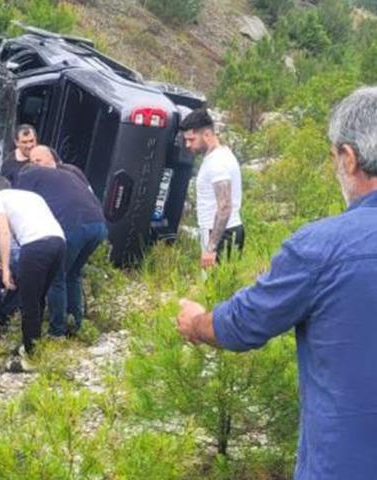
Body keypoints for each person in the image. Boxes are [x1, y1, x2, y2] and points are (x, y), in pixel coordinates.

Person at [175, 86, 377, 480]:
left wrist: (196, 322)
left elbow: (243, 324)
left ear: (350, 158)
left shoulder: (321, 248)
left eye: (335, 155)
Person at [15, 150, 107, 337]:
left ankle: (57, 331)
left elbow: (20, 205)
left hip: (74, 226)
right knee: (72, 275)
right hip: (98, 225)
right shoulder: (68, 173)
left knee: (56, 278)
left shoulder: (29, 175)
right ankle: (75, 324)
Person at [0, 176, 64, 369]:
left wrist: (6, 269)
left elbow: (3, 233)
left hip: (35, 246)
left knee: (28, 303)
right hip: (59, 242)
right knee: (38, 299)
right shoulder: (31, 196)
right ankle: (33, 345)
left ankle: (31, 359)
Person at [180, 109, 244, 268]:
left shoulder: (217, 163)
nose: (188, 145)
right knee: (217, 288)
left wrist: (211, 247)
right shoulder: (220, 155)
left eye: (191, 140)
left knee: (218, 289)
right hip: (222, 232)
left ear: (207, 135)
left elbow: (225, 206)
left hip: (222, 234)